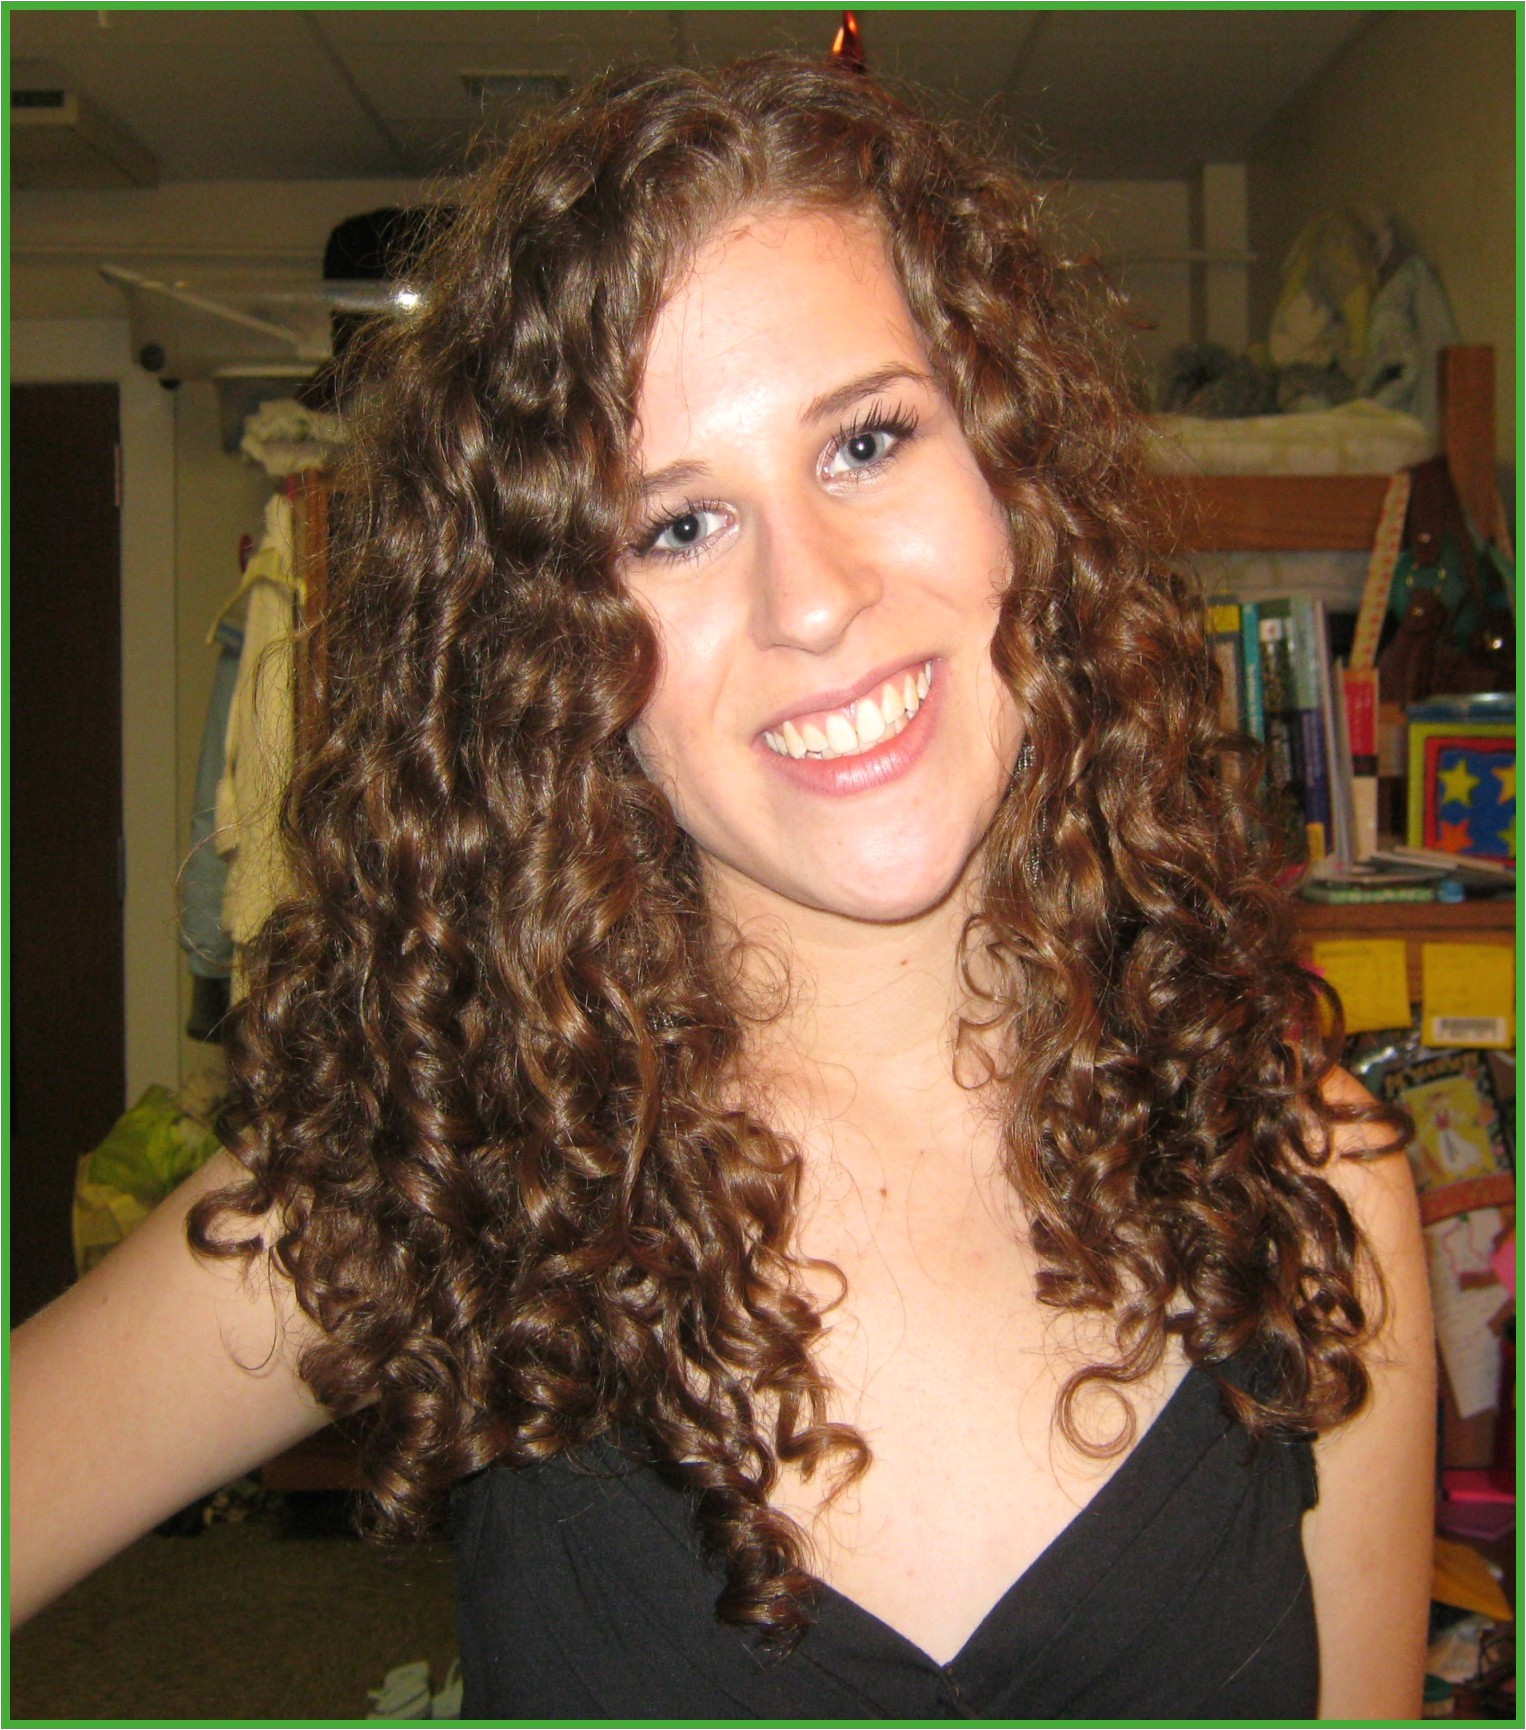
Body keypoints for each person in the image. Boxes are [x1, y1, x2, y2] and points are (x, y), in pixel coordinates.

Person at [11, 55, 1434, 1719]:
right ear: (554, 649)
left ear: (1016, 480)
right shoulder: (456, 1163)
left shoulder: (1309, 1178)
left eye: (867, 441)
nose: (811, 599)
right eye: (675, 527)